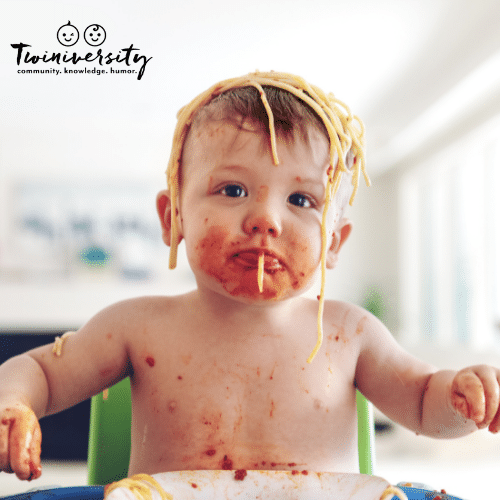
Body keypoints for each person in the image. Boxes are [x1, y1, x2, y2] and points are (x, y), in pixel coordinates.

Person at [0, 71, 498, 500]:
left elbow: (423, 402)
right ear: (173, 217)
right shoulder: (137, 326)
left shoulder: (351, 334)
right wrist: (14, 406)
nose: (265, 219)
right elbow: (41, 372)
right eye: (233, 190)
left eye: (302, 200)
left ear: (334, 244)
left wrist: (461, 396)